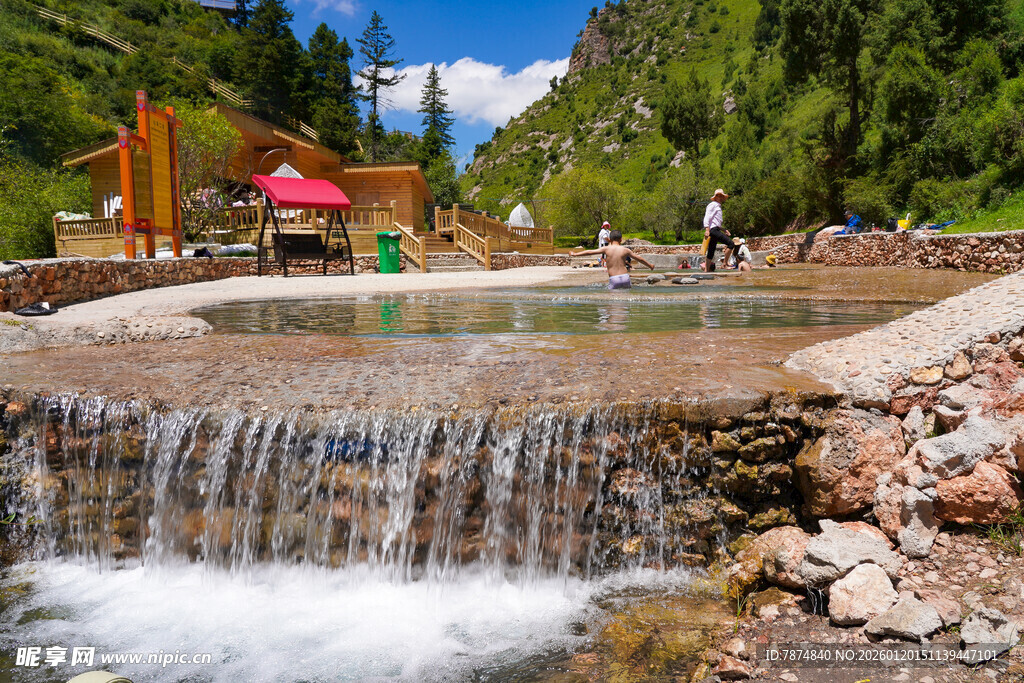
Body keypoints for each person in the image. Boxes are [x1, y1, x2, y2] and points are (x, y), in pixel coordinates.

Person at [571, 230, 654, 290]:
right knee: (625, 302)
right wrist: (650, 265)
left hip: (614, 279)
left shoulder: (606, 249)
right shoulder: (625, 250)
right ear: (621, 239)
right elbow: (639, 258)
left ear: (609, 240)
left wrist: (575, 254)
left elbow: (590, 252)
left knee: (612, 305)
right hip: (625, 277)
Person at [703, 189, 738, 272]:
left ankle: (706, 270)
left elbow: (714, 222)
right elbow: (707, 217)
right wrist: (707, 229)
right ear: (716, 197)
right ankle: (724, 264)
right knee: (731, 244)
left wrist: (724, 229)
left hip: (715, 229)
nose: (721, 197)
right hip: (713, 230)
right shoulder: (713, 205)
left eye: (722, 196)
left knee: (711, 250)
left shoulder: (717, 206)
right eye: (720, 195)